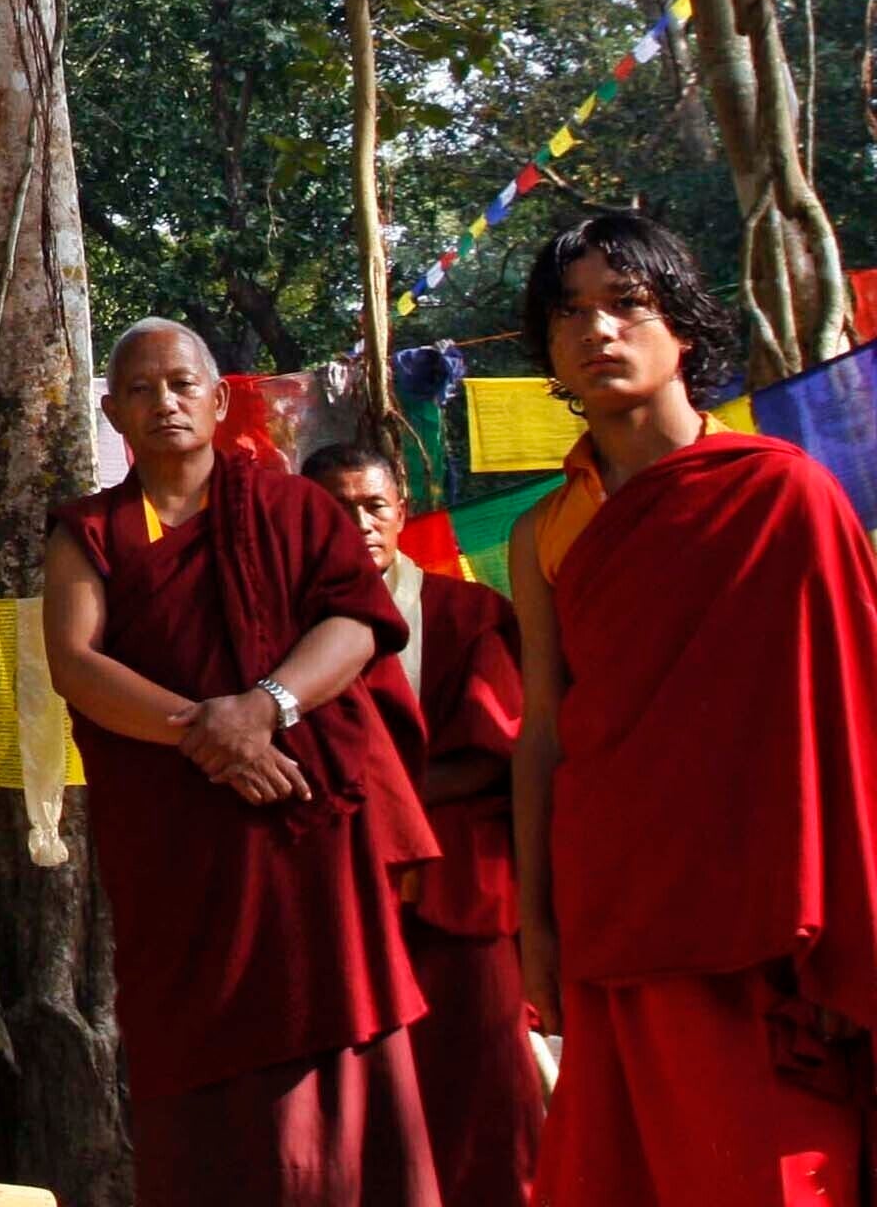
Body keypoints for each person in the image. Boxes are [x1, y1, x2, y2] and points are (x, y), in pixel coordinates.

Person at [506, 210, 877, 1207]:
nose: (600, 332)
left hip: (770, 920)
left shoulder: (784, 494)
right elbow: (543, 734)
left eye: (628, 304)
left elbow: (854, 715)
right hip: (620, 909)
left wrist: (856, 932)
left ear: (683, 326)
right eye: (570, 313)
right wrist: (536, 925)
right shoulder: (546, 531)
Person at [44, 320, 442, 1207]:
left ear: (221, 401)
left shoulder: (293, 509)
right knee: (201, 1084)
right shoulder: (90, 532)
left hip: (301, 837)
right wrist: (210, 735)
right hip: (182, 850)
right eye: (141, 390)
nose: (165, 403)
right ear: (112, 411)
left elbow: (356, 622)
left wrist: (265, 708)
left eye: (183, 384)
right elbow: (76, 662)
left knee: (332, 1031)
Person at [306, 439, 544, 1207]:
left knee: (483, 1099)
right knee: (361, 1115)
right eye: (337, 511)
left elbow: (493, 752)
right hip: (337, 900)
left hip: (460, 893)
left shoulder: (468, 612)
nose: (360, 524)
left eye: (374, 505)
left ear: (403, 513)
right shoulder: (282, 632)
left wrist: (368, 808)